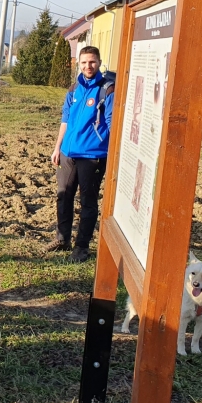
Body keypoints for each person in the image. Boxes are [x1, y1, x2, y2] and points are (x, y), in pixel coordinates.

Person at [50, 45, 114, 263]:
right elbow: (65, 120)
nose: (88, 66)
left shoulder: (107, 90)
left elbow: (112, 124)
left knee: (87, 202)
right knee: (64, 196)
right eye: (85, 62)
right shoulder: (73, 89)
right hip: (68, 153)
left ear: (99, 62)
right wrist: (58, 147)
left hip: (92, 156)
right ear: (79, 63)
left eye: (92, 62)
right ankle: (62, 238)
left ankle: (82, 247)